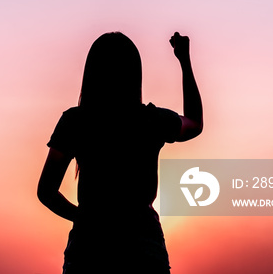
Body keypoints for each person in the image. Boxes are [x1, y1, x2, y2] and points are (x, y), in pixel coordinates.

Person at [37, 31, 203, 273]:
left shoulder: (76, 121)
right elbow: (194, 123)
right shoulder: (150, 120)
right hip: (143, 249)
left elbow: (46, 192)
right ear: (135, 74)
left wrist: (84, 219)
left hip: (88, 250)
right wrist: (184, 61)